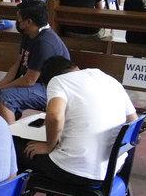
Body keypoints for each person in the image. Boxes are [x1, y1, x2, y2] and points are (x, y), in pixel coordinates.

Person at [19, 57, 137, 186]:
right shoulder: (108, 79)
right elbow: (133, 121)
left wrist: (49, 146)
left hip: (75, 171)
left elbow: (54, 116)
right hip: (112, 170)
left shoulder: (58, 81)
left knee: (18, 148)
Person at [0, 1, 69, 124]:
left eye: (19, 20)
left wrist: (0, 89)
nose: (17, 22)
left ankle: (10, 139)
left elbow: (29, 80)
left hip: (51, 89)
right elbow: (17, 64)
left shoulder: (44, 43)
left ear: (28, 22)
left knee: (5, 97)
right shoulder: (29, 34)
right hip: (35, 84)